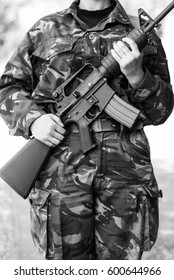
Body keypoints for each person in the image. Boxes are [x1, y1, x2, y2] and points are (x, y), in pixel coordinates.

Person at [0, 0, 173, 260]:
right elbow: (10, 87)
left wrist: (137, 76)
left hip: (126, 181)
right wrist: (34, 119)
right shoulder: (45, 28)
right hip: (60, 180)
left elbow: (161, 111)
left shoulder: (140, 31)